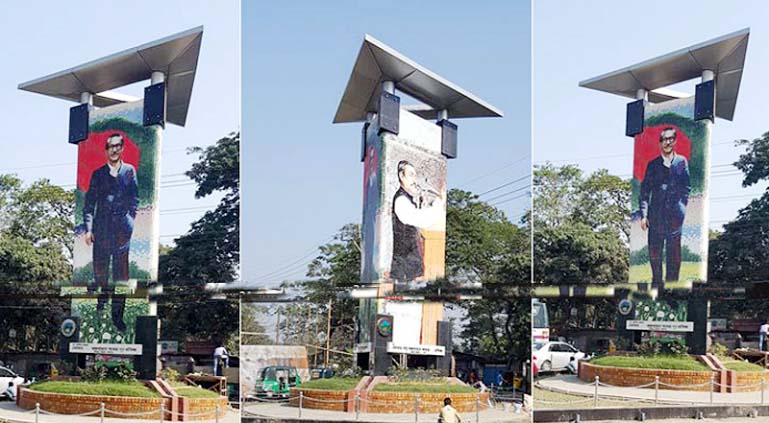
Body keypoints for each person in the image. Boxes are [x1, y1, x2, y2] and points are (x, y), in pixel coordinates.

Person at [83, 133, 138, 332]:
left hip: (122, 233)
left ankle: (117, 318)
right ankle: (100, 306)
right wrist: (89, 230)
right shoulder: (98, 174)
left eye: (118, 146)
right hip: (101, 232)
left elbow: (135, 198)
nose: (114, 150)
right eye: (110, 147)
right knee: (101, 274)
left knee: (120, 276)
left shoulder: (129, 171)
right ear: (106, 150)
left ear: (122, 148)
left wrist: (130, 221)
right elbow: (89, 204)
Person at [638, 127, 690, 290]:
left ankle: (672, 291)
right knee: (655, 254)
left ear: (674, 141)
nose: (667, 142)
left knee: (674, 255)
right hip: (656, 217)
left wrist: (681, 205)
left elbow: (686, 186)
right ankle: (657, 289)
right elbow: (645, 191)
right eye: (664, 139)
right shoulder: (653, 165)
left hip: (675, 218)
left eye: (670, 139)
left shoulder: (681, 162)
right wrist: (644, 215)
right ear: (660, 143)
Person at [390, 160, 445, 282]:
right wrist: (438, 203)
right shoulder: (401, 200)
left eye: (415, 175)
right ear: (401, 176)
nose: (414, 180)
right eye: (411, 175)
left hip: (408, 264)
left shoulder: (408, 199)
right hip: (405, 265)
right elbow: (422, 220)